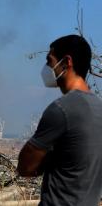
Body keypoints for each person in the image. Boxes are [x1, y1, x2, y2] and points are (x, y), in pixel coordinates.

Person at [17, 34, 102, 206]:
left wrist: (46, 158)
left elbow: (25, 167)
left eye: (50, 60)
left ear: (66, 62)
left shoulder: (62, 109)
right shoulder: (98, 108)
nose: (47, 67)